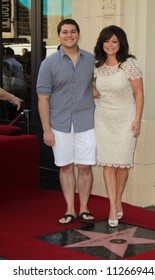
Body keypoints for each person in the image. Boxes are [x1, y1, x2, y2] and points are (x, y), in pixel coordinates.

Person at [36, 19, 96, 225]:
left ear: (78, 34)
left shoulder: (91, 60)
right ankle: (70, 209)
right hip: (59, 124)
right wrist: (46, 130)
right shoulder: (48, 63)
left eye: (72, 31)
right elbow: (42, 98)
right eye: (64, 32)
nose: (69, 35)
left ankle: (85, 208)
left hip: (86, 121)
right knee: (66, 166)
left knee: (86, 166)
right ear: (59, 36)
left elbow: (96, 87)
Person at [93, 25, 144, 227]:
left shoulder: (129, 64)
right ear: (101, 43)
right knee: (108, 165)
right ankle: (112, 207)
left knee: (122, 166)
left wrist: (137, 120)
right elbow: (98, 92)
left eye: (114, 41)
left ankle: (117, 199)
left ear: (120, 43)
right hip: (104, 118)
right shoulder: (98, 65)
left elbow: (139, 93)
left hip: (126, 118)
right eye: (107, 41)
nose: (110, 45)